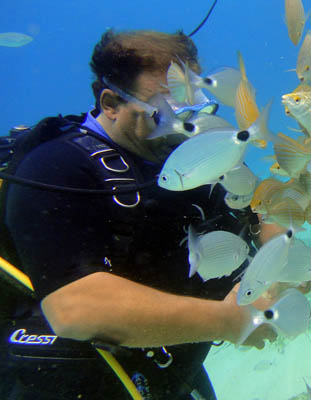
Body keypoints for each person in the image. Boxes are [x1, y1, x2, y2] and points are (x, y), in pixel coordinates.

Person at [0, 29, 286, 400]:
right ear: (110, 103)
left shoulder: (188, 154)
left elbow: (263, 214)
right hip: (73, 382)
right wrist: (232, 321)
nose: (186, 128)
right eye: (162, 114)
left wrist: (280, 271)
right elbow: (74, 307)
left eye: (196, 111)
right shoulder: (56, 169)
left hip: (168, 372)